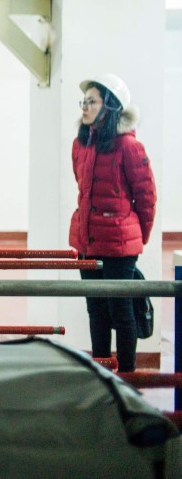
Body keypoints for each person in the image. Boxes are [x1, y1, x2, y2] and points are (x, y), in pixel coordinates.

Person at [71, 74, 155, 373]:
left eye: (91, 101)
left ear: (110, 107)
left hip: (120, 247)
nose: (84, 107)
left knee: (121, 312)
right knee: (96, 311)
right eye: (83, 101)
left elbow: (146, 197)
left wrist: (134, 239)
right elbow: (84, 191)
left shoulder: (130, 148)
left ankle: (129, 379)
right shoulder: (80, 145)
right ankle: (102, 375)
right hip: (87, 243)